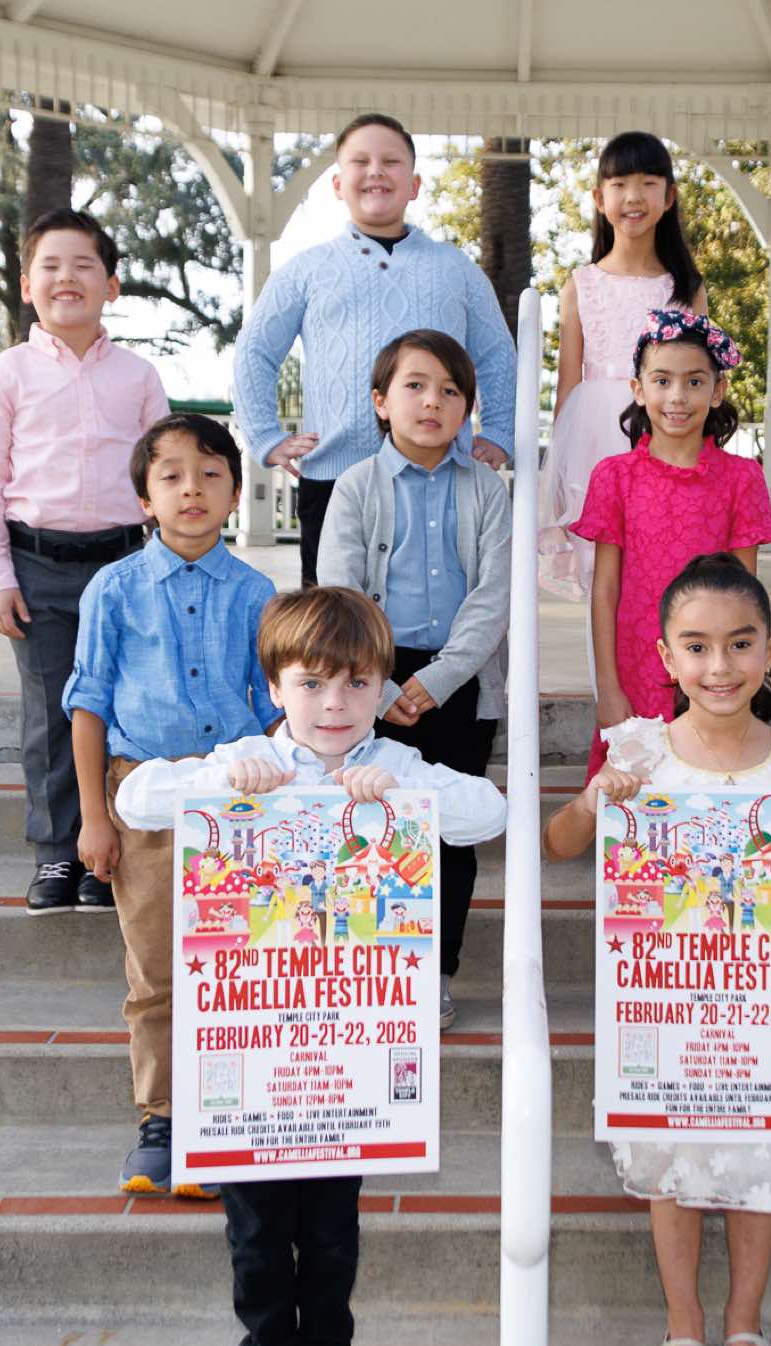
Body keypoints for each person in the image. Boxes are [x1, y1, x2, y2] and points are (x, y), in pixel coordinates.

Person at [113, 585, 507, 1346]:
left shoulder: (393, 762)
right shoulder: (247, 759)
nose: (335, 703)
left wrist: (404, 795)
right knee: (255, 1233)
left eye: (357, 682)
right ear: (274, 687)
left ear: (382, 686)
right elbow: (133, 797)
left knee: (331, 1232)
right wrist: (220, 784)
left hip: (342, 1064)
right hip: (255, 1059)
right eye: (312, 682)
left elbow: (488, 811)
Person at [543, 553, 771, 1346]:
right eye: (696, 647)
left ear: (769, 649)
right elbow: (559, 842)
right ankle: (682, 1322)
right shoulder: (639, 752)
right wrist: (595, 799)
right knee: (671, 1168)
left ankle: (744, 1321)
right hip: (672, 1013)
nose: (719, 665)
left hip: (765, 1014)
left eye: (740, 643)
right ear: (666, 657)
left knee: (760, 1166)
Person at [61, 412, 280, 1198]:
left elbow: (275, 706)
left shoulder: (257, 592)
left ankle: (228, 1112)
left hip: (236, 800)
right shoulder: (114, 590)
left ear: (236, 494)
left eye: (211, 474)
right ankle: (161, 1120)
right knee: (156, 967)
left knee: (236, 961)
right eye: (173, 475)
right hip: (142, 799)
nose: (193, 489)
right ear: (145, 499)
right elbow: (87, 702)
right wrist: (94, 816)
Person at [0, 208, 171, 913]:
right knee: (51, 713)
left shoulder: (138, 376)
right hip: (38, 566)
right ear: (27, 286)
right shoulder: (8, 374)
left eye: (84, 265)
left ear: (111, 285)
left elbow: (164, 472)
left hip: (123, 565)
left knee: (122, 708)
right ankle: (56, 850)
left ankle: (109, 851)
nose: (67, 278)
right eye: (49, 266)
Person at [316, 330, 512, 1031]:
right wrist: (383, 683)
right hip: (371, 675)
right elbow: (340, 589)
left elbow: (494, 594)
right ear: (381, 401)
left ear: (467, 410)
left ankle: (437, 972)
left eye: (451, 391)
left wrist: (442, 677)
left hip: (460, 679)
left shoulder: (486, 489)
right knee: (367, 821)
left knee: (449, 833)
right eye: (416, 386)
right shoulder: (355, 486)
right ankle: (368, 963)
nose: (433, 402)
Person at [233, 112, 518, 586]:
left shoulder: (457, 270)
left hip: (441, 475)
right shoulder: (306, 269)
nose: (376, 172)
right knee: (334, 619)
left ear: (415, 184)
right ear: (337, 184)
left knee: (440, 608)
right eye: (360, 161)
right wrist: (265, 435)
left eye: (391, 162)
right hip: (333, 478)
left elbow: (496, 354)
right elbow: (253, 350)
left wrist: (499, 432)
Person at [570, 310, 771, 778]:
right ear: (638, 388)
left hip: (713, 664)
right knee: (634, 788)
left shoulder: (742, 478)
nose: (677, 396)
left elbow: (746, 595)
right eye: (662, 380)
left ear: (717, 390)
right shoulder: (614, 477)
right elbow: (605, 589)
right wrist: (608, 686)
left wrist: (741, 674)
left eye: (694, 382)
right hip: (635, 660)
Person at [539, 130, 707, 601]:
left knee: (666, 569)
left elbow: (699, 379)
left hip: (663, 434)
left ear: (669, 197)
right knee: (603, 573)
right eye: (619, 184)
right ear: (599, 198)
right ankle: (603, 656)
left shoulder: (686, 289)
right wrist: (557, 477)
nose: (633, 197)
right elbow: (567, 385)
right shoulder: (581, 285)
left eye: (648, 183)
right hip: (594, 443)